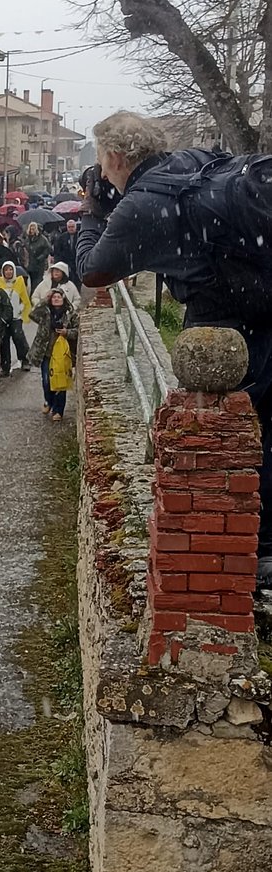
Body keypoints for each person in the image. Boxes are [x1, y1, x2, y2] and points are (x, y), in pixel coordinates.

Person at [76, 110, 272, 585]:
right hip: (264, 297)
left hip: (227, 318)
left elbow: (91, 270)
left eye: (103, 164)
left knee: (236, 423)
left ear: (118, 158)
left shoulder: (143, 205)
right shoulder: (192, 161)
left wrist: (92, 211)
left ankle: (250, 550)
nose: (102, 175)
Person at [28, 289, 79, 422]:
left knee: (60, 383)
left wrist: (66, 332)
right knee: (46, 381)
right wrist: (45, 299)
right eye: (53, 297)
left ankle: (58, 410)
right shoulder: (45, 312)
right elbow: (32, 314)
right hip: (46, 352)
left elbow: (78, 330)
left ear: (64, 299)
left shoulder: (70, 314)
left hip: (61, 353)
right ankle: (48, 401)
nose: (56, 299)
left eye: (59, 297)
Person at [0, 260, 31, 376]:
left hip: (16, 316)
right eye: (6, 270)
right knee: (4, 342)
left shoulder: (19, 282)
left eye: (10, 269)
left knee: (18, 338)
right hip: (4, 317)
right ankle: (5, 366)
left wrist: (22, 310)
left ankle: (25, 359)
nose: (9, 272)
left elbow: (24, 298)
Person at [50, 219, 82, 288]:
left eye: (72, 227)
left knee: (77, 282)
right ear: (67, 227)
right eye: (69, 227)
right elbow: (57, 251)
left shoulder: (80, 236)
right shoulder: (62, 237)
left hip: (77, 263)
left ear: (75, 227)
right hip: (66, 263)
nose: (71, 228)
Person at [22, 222, 52, 292]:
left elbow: (48, 249)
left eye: (33, 229)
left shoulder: (43, 239)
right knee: (31, 282)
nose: (32, 230)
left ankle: (37, 295)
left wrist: (41, 257)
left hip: (39, 263)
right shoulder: (27, 239)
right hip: (30, 263)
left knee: (38, 281)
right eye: (31, 229)